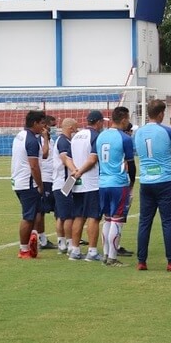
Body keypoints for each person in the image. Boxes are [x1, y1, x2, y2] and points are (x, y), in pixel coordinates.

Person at [134, 99, 171, 272]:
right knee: (169, 222)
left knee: (144, 222)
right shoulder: (167, 131)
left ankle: (141, 261)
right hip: (164, 181)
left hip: (146, 181)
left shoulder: (138, 133)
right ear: (160, 114)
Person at [96, 106, 136, 266]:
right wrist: (132, 183)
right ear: (124, 119)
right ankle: (112, 257)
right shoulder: (125, 139)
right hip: (118, 183)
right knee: (118, 219)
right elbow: (131, 165)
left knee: (107, 219)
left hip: (103, 182)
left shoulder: (100, 137)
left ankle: (106, 254)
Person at [68, 110, 105, 262]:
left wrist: (75, 172)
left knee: (79, 216)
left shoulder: (76, 136)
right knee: (93, 217)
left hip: (78, 182)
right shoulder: (96, 136)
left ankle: (75, 250)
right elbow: (92, 160)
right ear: (98, 122)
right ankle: (92, 251)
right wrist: (80, 172)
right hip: (91, 182)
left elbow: (69, 157)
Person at [11, 110, 46, 259]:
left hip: (18, 180)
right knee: (28, 216)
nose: (44, 127)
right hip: (28, 183)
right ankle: (23, 249)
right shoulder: (31, 141)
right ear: (35, 123)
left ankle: (33, 236)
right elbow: (34, 166)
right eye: (42, 123)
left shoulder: (20, 136)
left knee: (35, 213)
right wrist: (40, 184)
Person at [52, 117, 79, 255]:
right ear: (70, 128)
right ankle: (68, 243)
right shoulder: (63, 141)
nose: (77, 129)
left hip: (62, 181)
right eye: (75, 127)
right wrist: (75, 170)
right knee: (68, 215)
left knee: (61, 214)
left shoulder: (65, 140)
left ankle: (61, 242)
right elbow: (64, 158)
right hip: (65, 182)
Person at [34, 115, 58, 250]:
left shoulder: (51, 140)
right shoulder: (39, 141)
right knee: (40, 210)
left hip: (54, 178)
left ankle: (64, 238)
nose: (52, 129)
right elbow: (44, 155)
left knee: (59, 210)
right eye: (51, 126)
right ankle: (41, 239)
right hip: (45, 178)